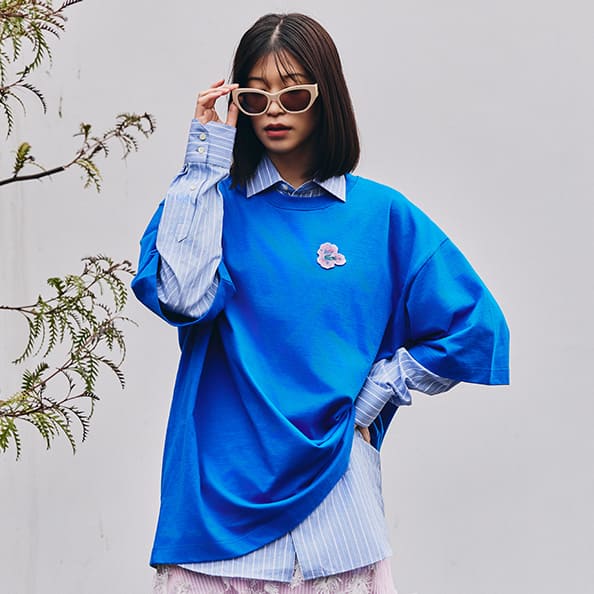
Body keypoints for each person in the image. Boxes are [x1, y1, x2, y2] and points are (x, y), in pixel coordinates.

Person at [132, 12, 509, 594]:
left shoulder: (380, 215)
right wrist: (204, 161)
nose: (273, 110)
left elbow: (476, 328)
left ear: (325, 95)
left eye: (293, 93)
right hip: (214, 513)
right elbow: (183, 299)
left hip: (339, 514)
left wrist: (377, 391)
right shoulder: (208, 204)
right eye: (255, 96)